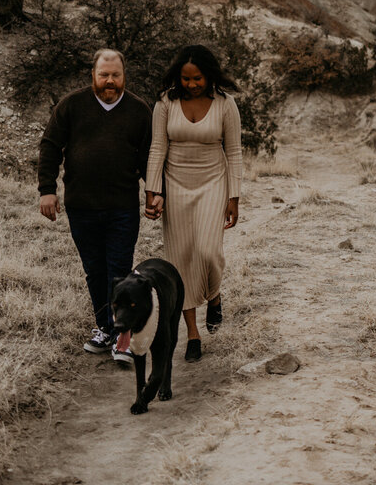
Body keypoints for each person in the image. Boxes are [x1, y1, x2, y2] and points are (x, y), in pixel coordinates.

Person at [38, 49, 152, 363]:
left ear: (124, 75)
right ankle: (104, 328)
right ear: (93, 75)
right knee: (94, 272)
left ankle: (122, 338)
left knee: (119, 272)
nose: (110, 81)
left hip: (122, 207)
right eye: (104, 75)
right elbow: (49, 146)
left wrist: (156, 192)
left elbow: (147, 159)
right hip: (81, 206)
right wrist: (47, 190)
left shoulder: (139, 110)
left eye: (116, 75)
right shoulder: (71, 106)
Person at [144, 44, 242, 362]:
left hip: (213, 183)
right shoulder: (165, 103)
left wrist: (234, 197)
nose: (191, 85)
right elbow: (158, 147)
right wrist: (152, 190)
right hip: (175, 186)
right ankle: (193, 335)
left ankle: (213, 297)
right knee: (179, 261)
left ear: (208, 76)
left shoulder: (226, 105)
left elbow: (235, 152)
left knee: (208, 252)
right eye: (186, 80)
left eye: (197, 78)